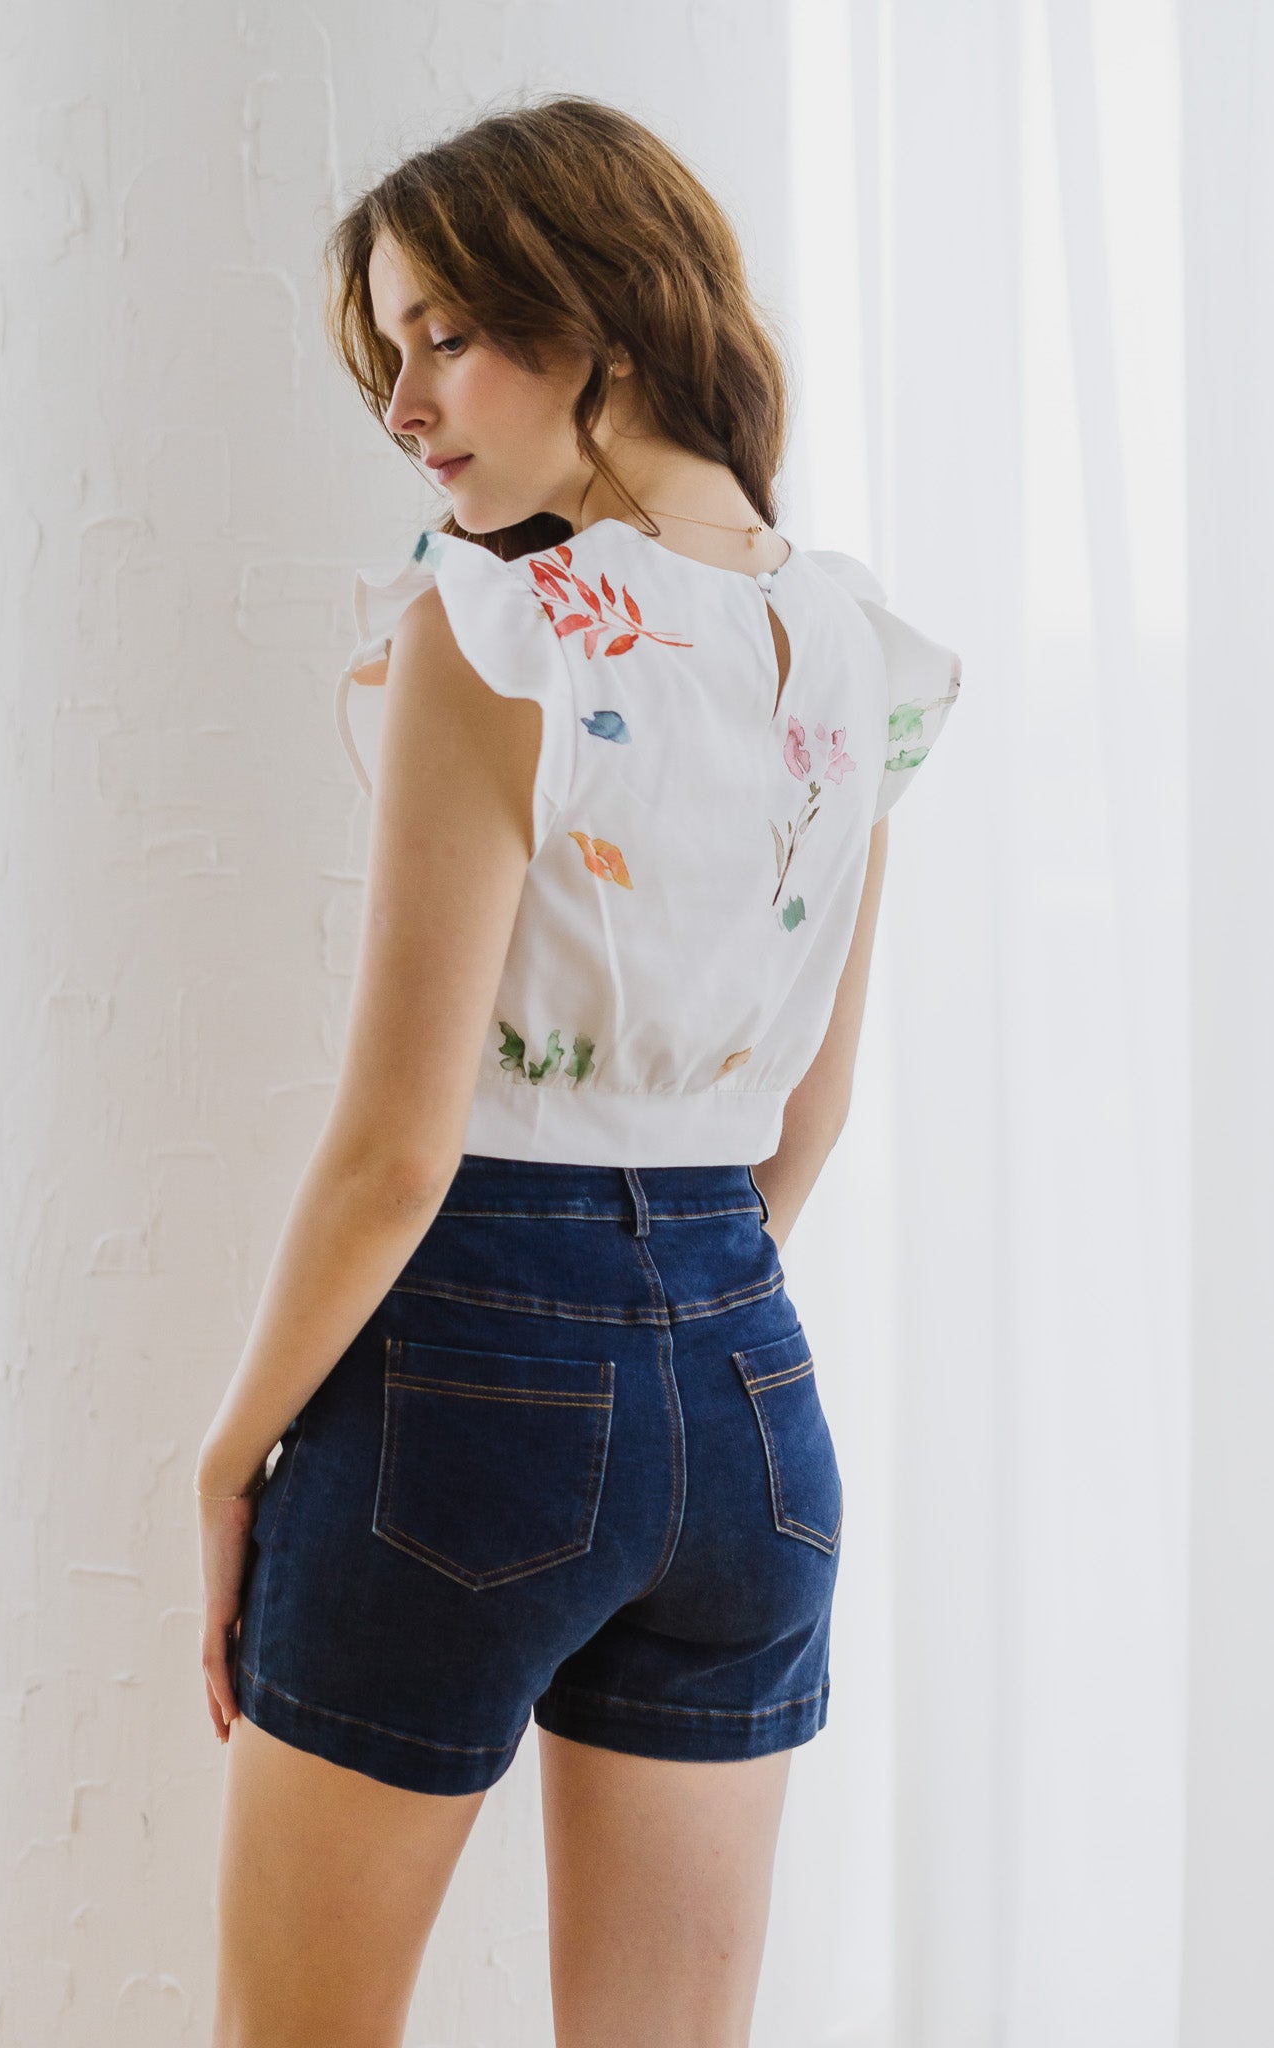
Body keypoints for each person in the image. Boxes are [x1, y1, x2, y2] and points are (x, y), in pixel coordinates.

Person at [194, 92, 961, 2048]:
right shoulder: (853, 648)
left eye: (445, 335)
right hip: (750, 1394)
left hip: (467, 1362)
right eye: (390, 353)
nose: (404, 405)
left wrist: (227, 1456)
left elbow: (395, 1149)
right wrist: (670, 1313)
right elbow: (807, 1120)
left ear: (600, 317)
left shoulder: (497, 629)